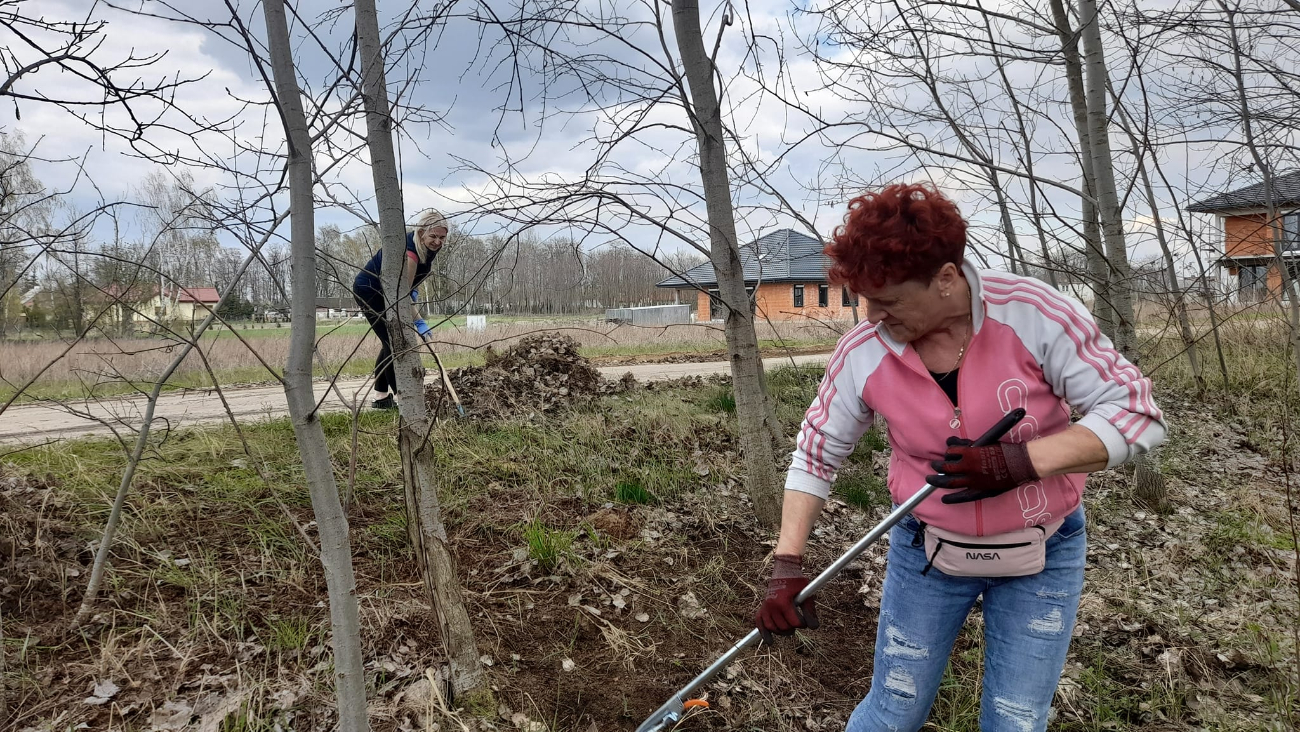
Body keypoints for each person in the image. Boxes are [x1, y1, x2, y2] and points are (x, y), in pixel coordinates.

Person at [754, 183, 1166, 732]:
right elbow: (815, 455)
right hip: (927, 551)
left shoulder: (1034, 314)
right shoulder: (863, 351)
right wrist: (787, 568)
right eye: (863, 298)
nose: (870, 316)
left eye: (890, 300)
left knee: (1016, 721)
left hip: (1043, 550)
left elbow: (1137, 414)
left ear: (946, 279)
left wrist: (1019, 463)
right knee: (892, 712)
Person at [352, 209, 447, 410]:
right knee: (395, 343)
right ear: (421, 232)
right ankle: (405, 399)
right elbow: (401, 298)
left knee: (388, 341)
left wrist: (412, 291)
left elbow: (406, 287)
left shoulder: (426, 250)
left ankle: (381, 398)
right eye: (433, 236)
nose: (437, 241)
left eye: (442, 237)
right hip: (370, 291)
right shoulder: (410, 254)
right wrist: (419, 321)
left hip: (387, 292)